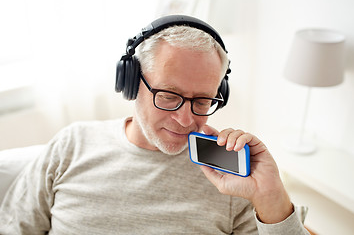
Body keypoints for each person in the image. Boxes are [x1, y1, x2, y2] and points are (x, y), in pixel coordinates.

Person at [0, 15, 309, 234]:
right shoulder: (72, 144)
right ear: (132, 82)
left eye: (202, 100)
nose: (186, 119)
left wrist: (270, 197)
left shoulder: (232, 177)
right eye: (169, 95)